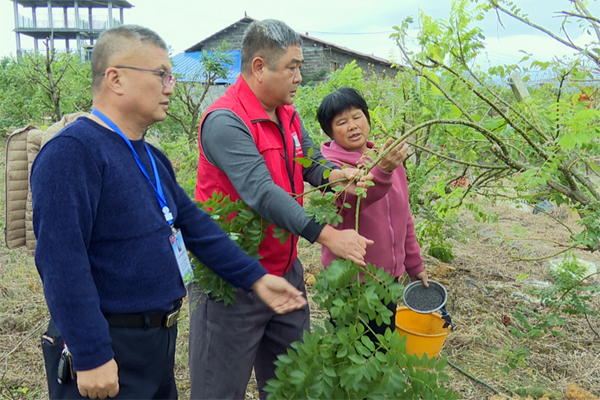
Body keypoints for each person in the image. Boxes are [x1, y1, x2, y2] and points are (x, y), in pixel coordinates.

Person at [30, 24, 306, 400]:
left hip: (156, 341)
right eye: (161, 74)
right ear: (116, 79)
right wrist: (91, 353)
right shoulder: (73, 153)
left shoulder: (149, 155)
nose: (171, 87)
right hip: (109, 344)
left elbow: (195, 227)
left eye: (171, 75)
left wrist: (255, 278)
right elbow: (61, 261)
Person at [190, 19, 373, 400]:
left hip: (285, 271)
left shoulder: (288, 114)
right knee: (219, 391)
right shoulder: (226, 121)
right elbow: (260, 191)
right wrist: (326, 234)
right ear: (259, 67)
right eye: (292, 67)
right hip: (234, 280)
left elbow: (308, 161)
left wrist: (337, 175)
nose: (299, 77)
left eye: (299, 66)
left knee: (293, 386)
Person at [317, 87, 429, 338]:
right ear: (330, 131)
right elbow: (353, 199)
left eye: (357, 116)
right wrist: (383, 172)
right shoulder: (329, 170)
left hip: (388, 279)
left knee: (381, 345)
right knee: (350, 350)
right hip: (351, 282)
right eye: (341, 122)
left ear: (367, 118)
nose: (353, 126)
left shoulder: (385, 158)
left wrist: (414, 264)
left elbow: (404, 217)